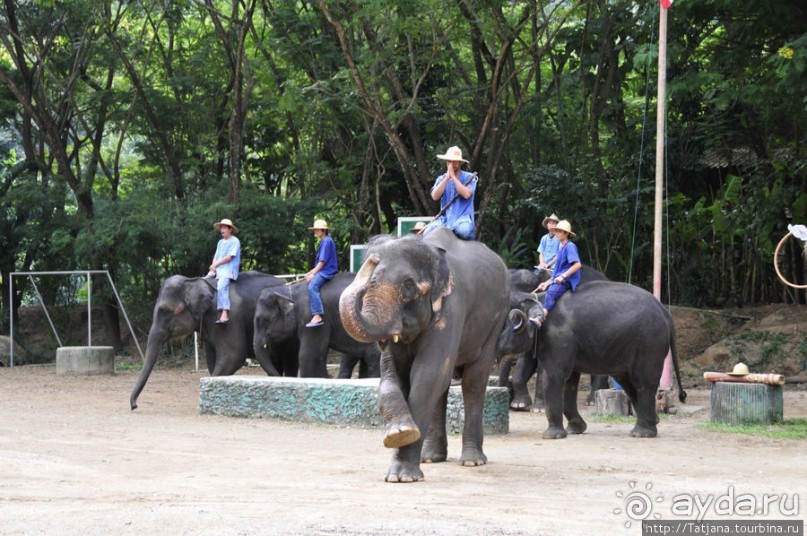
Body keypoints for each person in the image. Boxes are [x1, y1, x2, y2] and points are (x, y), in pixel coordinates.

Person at [530, 220, 581, 327]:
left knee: (551, 293)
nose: (556, 233)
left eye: (559, 231)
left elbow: (577, 265)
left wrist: (563, 276)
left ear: (566, 233)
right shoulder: (561, 247)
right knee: (545, 287)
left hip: (567, 280)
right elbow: (556, 273)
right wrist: (546, 283)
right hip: (558, 277)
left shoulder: (570, 246)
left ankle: (540, 318)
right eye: (556, 230)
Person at [422, 146, 478, 240]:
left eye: (454, 161)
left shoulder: (469, 177)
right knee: (427, 233)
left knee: (464, 232)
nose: (451, 164)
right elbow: (435, 196)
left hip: (462, 220)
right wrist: (447, 178)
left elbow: (466, 194)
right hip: (444, 220)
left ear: (460, 163)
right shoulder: (441, 178)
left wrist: (453, 177)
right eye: (449, 161)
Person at [304, 218, 338, 327]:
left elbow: (322, 262)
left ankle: (317, 315)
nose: (315, 232)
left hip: (326, 271)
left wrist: (313, 274)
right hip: (323, 270)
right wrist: (310, 272)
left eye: (317, 230)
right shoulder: (325, 241)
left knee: (312, 287)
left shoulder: (326, 241)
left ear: (323, 231)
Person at [208, 218, 241, 325]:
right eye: (221, 227)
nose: (222, 229)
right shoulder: (220, 242)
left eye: (224, 227)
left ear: (230, 229)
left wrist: (216, 265)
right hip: (218, 268)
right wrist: (213, 267)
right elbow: (216, 256)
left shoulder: (235, 241)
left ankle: (225, 312)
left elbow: (229, 258)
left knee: (221, 285)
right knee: (204, 280)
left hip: (228, 269)